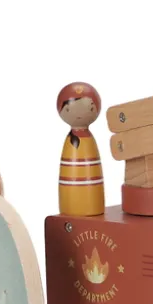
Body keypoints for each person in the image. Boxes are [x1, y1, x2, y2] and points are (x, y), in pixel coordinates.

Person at [57, 82, 105, 217]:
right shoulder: (71, 143)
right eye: (68, 109)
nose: (78, 114)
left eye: (90, 108)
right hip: (69, 210)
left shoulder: (89, 141)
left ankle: (89, 207)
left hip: (94, 207)